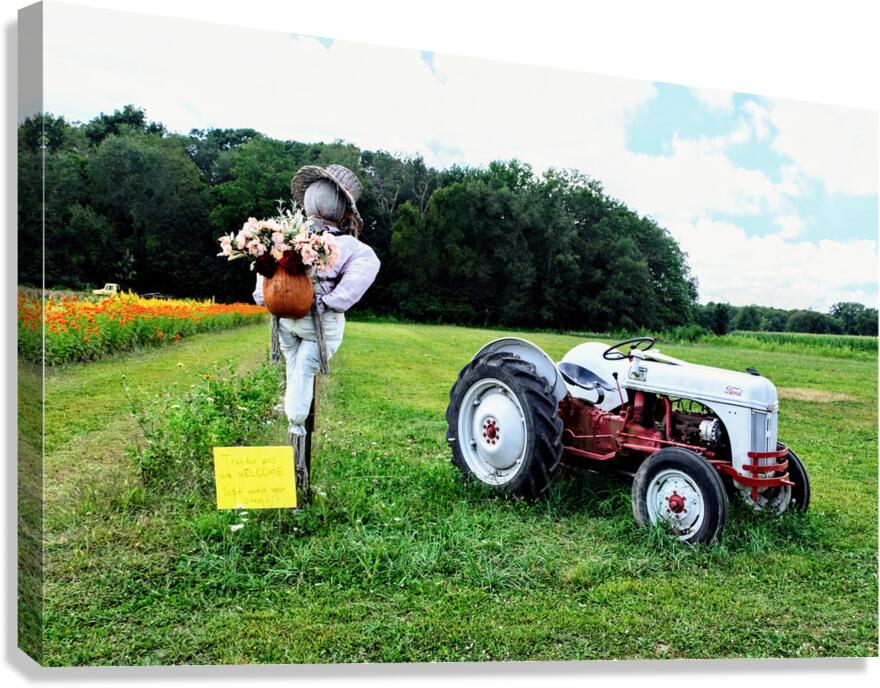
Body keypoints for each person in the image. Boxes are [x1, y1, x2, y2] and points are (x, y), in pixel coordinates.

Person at [253, 164, 380, 445]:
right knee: (304, 367)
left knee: (294, 365)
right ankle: (296, 424)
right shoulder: (354, 248)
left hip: (284, 320)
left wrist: (272, 298)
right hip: (318, 323)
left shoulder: (283, 238)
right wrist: (324, 301)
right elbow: (349, 290)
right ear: (344, 210)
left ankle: (292, 414)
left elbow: (262, 282)